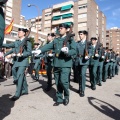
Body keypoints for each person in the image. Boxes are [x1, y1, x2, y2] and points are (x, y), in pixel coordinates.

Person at [32, 23, 76, 106]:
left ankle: (66, 96)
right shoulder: (56, 40)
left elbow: (75, 51)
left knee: (63, 81)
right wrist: (40, 50)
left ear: (66, 29)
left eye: (62, 28)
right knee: (57, 82)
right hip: (56, 63)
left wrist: (68, 51)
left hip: (65, 63)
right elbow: (48, 46)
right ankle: (59, 98)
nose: (60, 29)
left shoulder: (71, 40)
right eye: (59, 28)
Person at [2, 28, 32, 101]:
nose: (18, 33)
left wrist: (22, 54)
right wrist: (4, 54)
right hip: (17, 61)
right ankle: (25, 90)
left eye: (20, 32)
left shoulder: (28, 42)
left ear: (24, 33)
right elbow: (10, 47)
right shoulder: (17, 42)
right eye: (18, 31)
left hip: (23, 61)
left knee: (19, 76)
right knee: (15, 72)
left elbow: (29, 52)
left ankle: (17, 94)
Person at [75, 30, 91, 97]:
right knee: (79, 75)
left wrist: (88, 55)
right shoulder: (78, 43)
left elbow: (90, 51)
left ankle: (82, 90)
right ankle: (80, 88)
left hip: (85, 61)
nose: (80, 35)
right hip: (78, 60)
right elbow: (75, 51)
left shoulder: (88, 43)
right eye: (79, 34)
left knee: (83, 75)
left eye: (81, 34)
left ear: (85, 35)